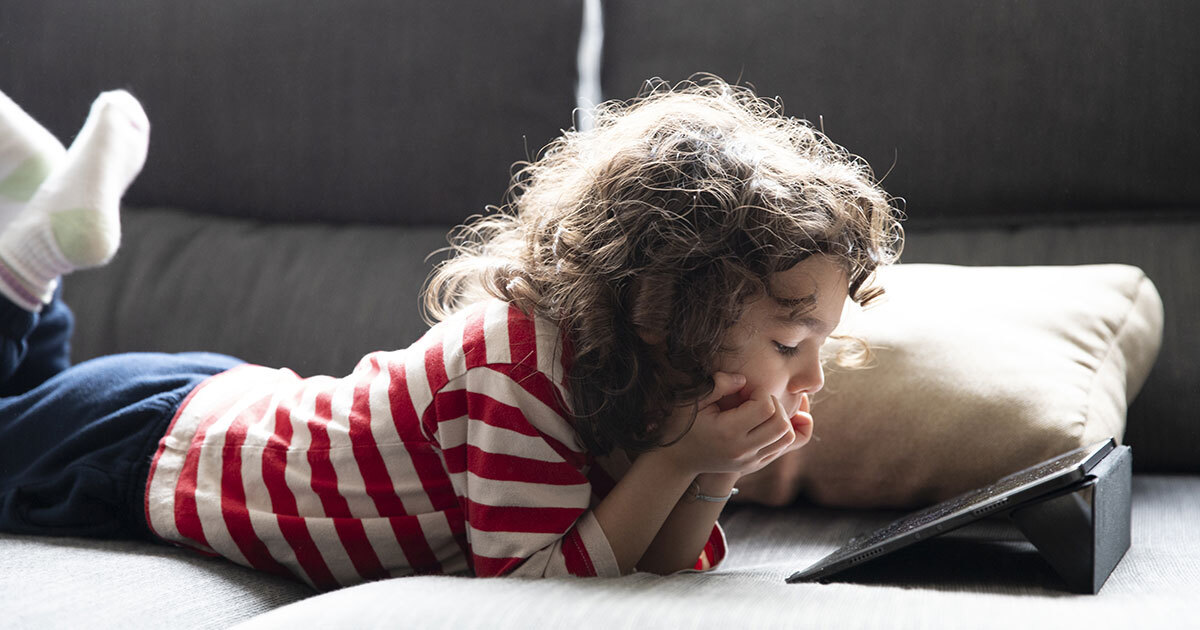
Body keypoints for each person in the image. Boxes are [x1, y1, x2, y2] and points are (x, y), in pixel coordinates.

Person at [0, 78, 902, 590]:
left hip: (212, 400)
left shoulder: (645, 381)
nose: (812, 375)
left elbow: (653, 575)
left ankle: (43, 230)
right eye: (790, 343)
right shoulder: (517, 368)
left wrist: (710, 470)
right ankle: (29, 263)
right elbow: (534, 592)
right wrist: (674, 467)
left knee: (22, 406)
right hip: (159, 445)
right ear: (665, 310)